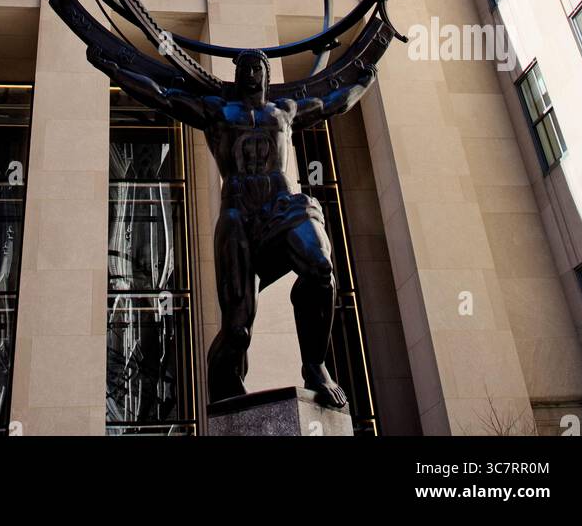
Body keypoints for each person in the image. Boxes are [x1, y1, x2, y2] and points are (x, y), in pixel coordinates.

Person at [90, 43, 377, 407]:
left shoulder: (284, 111)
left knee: (320, 267)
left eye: (258, 66)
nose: (252, 72)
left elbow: (334, 102)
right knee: (237, 329)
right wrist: (113, 67)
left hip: (282, 207)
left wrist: (364, 79)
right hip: (238, 217)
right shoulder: (218, 112)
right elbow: (163, 96)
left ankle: (315, 366)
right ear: (237, 76)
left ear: (267, 76)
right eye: (245, 67)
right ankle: (227, 399)